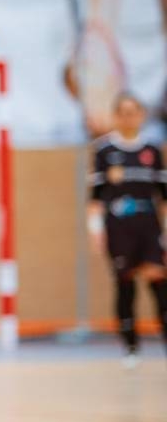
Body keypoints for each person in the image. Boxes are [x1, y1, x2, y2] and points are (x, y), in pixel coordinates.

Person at [87, 92, 167, 366]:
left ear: (142, 116)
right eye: (123, 112)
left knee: (159, 284)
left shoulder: (152, 151)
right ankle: (130, 348)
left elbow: (163, 197)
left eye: (134, 111)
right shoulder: (104, 151)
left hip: (149, 227)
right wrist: (96, 230)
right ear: (116, 116)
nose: (129, 117)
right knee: (125, 285)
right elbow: (95, 199)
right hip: (118, 227)